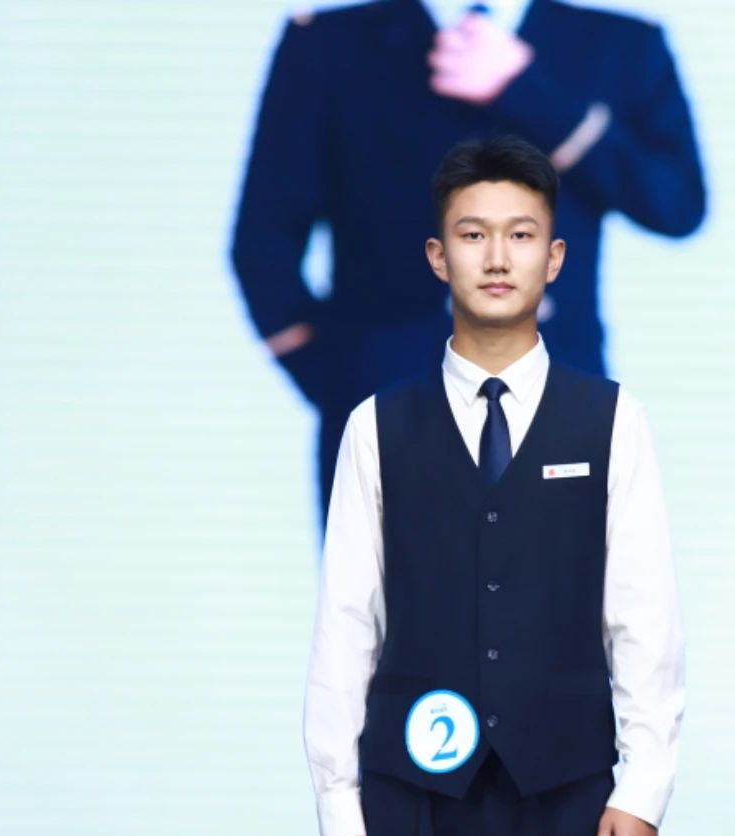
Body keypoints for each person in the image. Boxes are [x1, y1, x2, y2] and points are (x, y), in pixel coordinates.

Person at [304, 136, 684, 836]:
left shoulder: (612, 419)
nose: (498, 258)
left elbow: (643, 616)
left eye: (521, 235)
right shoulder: (376, 426)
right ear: (438, 256)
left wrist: (643, 788)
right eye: (474, 235)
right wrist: (338, 806)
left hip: (569, 796)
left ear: (556, 257)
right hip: (409, 796)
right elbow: (347, 625)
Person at [230, 0, 705, 522]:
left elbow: (677, 206)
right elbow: (262, 242)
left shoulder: (621, 43)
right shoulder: (328, 42)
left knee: (562, 577)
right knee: (387, 580)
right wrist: (338, 377)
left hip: (560, 401)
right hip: (384, 403)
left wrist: (528, 90)